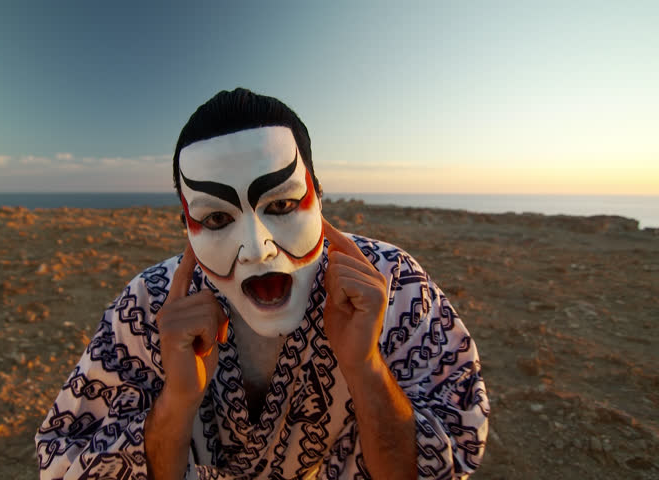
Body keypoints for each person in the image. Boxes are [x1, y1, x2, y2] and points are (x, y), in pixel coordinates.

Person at [36, 88, 489, 479]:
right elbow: (66, 461)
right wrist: (176, 401)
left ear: (317, 195)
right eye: (216, 218)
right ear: (187, 225)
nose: (256, 248)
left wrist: (367, 368)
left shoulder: (395, 289)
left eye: (282, 204)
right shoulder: (149, 308)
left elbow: (441, 463)